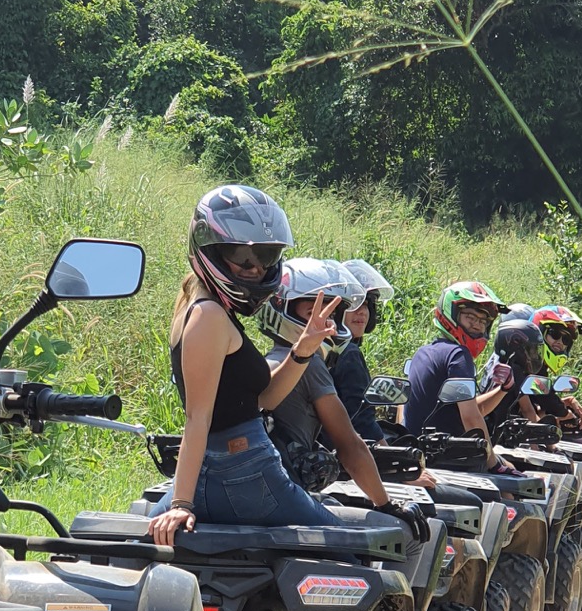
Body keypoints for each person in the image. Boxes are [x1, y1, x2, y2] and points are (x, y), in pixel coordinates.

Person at [146, 185, 346, 546]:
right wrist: (180, 503)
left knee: (135, 550)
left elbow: (261, 400)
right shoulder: (208, 315)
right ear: (210, 251)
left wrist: (303, 349)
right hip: (244, 471)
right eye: (243, 257)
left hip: (224, 469)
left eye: (267, 257)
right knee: (351, 550)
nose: (256, 270)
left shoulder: (206, 308)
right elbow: (199, 418)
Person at [256, 258, 427, 540]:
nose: (326, 323)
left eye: (333, 314)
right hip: (286, 498)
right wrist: (386, 505)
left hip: (259, 492)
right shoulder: (309, 365)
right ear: (282, 309)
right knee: (404, 535)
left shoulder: (264, 360)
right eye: (314, 312)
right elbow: (350, 445)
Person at [400, 281, 511, 439]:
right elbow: (471, 419)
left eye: (483, 321)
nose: (477, 325)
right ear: (451, 314)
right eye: (470, 317)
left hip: (420, 449)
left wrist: (503, 389)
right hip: (447, 456)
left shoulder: (422, 352)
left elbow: (472, 410)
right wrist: (493, 463)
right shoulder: (458, 355)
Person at [327, 258, 394, 443]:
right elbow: (361, 417)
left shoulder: (324, 346)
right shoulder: (348, 353)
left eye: (367, 304)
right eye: (354, 304)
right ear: (336, 308)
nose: (362, 312)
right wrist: (385, 451)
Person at [481, 317, 546, 436]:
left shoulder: (497, 363)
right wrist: (543, 446)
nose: (535, 355)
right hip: (496, 435)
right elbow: (528, 411)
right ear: (516, 347)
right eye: (531, 350)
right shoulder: (514, 370)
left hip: (487, 427)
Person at [529, 305, 582, 430]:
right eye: (555, 334)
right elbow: (546, 399)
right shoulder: (527, 364)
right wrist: (566, 414)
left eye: (566, 339)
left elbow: (541, 400)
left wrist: (563, 405)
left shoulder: (538, 365)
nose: (560, 342)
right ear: (540, 332)